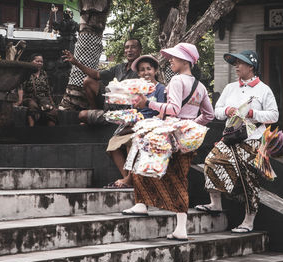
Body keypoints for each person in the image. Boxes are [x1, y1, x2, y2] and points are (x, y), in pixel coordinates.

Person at [124, 43, 215, 241]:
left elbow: (173, 109)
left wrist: (148, 103)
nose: (171, 60)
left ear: (185, 61)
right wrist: (190, 126)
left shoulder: (176, 80)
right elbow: (209, 115)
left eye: (174, 58)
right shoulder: (200, 86)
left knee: (141, 161)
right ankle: (180, 227)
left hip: (169, 136)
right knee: (180, 179)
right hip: (187, 140)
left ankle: (141, 204)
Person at [194, 50, 279, 233]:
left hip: (253, 139)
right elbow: (217, 110)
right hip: (231, 137)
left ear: (251, 66)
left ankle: (249, 220)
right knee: (211, 161)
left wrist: (252, 114)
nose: (236, 67)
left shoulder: (263, 89)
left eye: (240, 63)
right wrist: (227, 111)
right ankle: (215, 203)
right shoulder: (230, 88)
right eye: (235, 63)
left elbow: (274, 115)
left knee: (248, 178)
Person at [105, 55, 166, 189]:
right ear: (138, 73)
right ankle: (128, 178)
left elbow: (163, 112)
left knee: (131, 142)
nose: (146, 73)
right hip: (135, 126)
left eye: (148, 69)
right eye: (142, 70)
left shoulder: (160, 89)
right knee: (112, 144)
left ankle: (128, 179)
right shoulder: (136, 91)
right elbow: (134, 111)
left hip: (151, 128)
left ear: (155, 70)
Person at [62, 38, 141, 124]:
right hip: (109, 106)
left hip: (126, 112)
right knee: (88, 81)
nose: (129, 50)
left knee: (82, 115)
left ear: (140, 50)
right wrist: (76, 63)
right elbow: (96, 75)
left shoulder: (142, 70)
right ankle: (95, 113)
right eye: (127, 47)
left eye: (133, 47)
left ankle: (100, 119)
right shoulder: (119, 68)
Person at [15, 54, 57, 127]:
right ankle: (32, 129)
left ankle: (51, 131)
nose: (40, 63)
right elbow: (21, 87)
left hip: (43, 98)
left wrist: (52, 102)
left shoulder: (44, 74)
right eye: (37, 61)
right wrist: (20, 100)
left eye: (41, 62)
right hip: (30, 97)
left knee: (51, 111)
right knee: (33, 106)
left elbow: (47, 90)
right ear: (31, 62)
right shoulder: (27, 73)